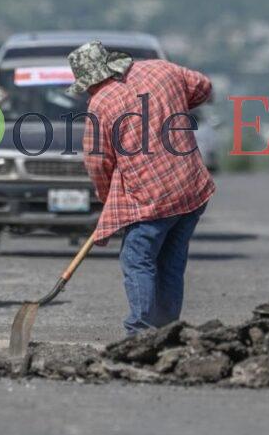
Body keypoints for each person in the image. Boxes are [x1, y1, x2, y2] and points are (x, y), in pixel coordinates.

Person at [67, 41, 214, 337]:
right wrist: (174, 105)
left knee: (137, 259)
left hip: (153, 197)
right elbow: (204, 87)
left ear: (90, 81)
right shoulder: (161, 70)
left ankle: (141, 332)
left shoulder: (101, 103)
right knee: (171, 262)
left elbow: (98, 161)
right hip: (191, 186)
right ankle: (167, 330)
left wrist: (108, 197)